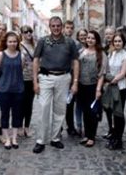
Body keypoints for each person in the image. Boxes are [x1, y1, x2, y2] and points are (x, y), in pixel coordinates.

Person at [32, 16, 79, 154]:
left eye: (58, 25)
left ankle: (55, 138)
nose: (56, 28)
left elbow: (76, 62)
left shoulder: (69, 42)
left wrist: (75, 82)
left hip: (64, 78)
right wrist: (35, 81)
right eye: (53, 26)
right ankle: (41, 140)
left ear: (62, 26)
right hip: (46, 77)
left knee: (60, 110)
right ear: (49, 26)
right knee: (44, 108)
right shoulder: (43, 41)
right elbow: (35, 60)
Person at [0, 31, 24, 150]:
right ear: (6, 42)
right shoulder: (1, 55)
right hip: (4, 90)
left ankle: (14, 138)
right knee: (4, 114)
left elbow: (20, 70)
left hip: (18, 89)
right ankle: (7, 139)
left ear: (17, 42)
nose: (12, 43)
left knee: (17, 115)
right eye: (10, 41)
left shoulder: (21, 56)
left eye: (15, 41)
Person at [78, 30, 107, 147]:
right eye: (88, 38)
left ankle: (92, 137)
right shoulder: (81, 52)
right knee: (85, 111)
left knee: (92, 112)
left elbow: (102, 73)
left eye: (92, 38)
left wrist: (98, 89)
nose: (89, 40)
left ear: (96, 41)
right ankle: (86, 134)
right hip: (82, 86)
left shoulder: (101, 54)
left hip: (93, 86)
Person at [104, 33, 126, 150]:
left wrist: (112, 80)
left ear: (123, 42)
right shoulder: (112, 54)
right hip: (110, 86)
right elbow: (107, 69)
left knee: (118, 114)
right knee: (112, 113)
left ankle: (118, 140)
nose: (117, 43)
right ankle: (114, 136)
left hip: (120, 88)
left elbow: (123, 73)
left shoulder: (125, 56)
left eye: (119, 41)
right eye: (115, 41)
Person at [19, 25, 36, 137]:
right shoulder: (19, 45)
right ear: (22, 33)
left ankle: (27, 127)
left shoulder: (34, 46)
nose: (28, 34)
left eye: (30, 31)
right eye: (26, 32)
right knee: (21, 104)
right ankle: (20, 127)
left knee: (29, 104)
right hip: (21, 78)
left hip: (32, 78)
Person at [63, 20, 79, 136]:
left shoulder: (75, 44)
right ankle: (57, 128)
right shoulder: (58, 42)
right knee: (58, 105)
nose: (69, 29)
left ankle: (70, 126)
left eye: (71, 28)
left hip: (70, 76)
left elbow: (76, 62)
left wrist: (75, 80)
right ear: (63, 28)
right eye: (67, 27)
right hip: (60, 76)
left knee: (70, 104)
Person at [102, 26, 116, 139]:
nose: (108, 36)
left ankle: (115, 131)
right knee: (107, 108)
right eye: (106, 34)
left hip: (114, 82)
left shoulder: (117, 47)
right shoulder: (104, 48)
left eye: (110, 34)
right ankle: (110, 129)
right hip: (105, 82)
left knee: (114, 109)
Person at [74, 28, 88, 136]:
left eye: (85, 35)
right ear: (78, 37)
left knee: (87, 106)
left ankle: (88, 127)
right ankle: (79, 126)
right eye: (81, 35)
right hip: (78, 80)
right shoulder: (76, 49)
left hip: (90, 81)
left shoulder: (92, 47)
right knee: (79, 104)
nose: (83, 37)